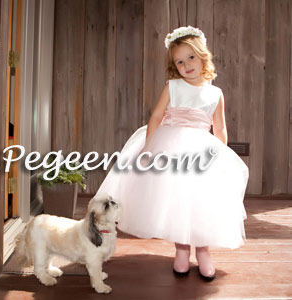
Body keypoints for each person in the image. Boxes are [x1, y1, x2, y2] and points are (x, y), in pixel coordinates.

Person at [96, 26, 249, 281]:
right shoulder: (173, 87)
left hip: (202, 151)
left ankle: (203, 252)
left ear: (203, 56)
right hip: (172, 147)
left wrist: (222, 155)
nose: (186, 65)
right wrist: (149, 147)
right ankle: (181, 250)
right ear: (174, 67)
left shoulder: (215, 93)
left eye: (191, 57)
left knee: (200, 201)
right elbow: (156, 116)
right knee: (175, 199)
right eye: (180, 61)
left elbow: (220, 127)